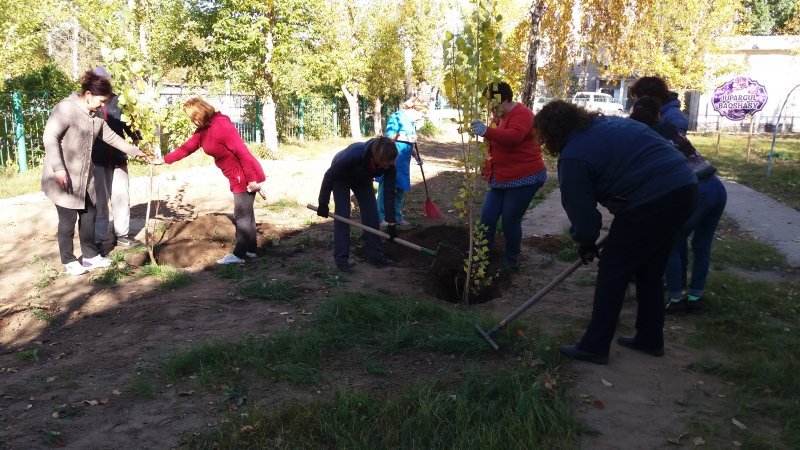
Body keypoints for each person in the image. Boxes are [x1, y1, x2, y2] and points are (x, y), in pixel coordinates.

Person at [534, 100, 697, 364]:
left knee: (613, 269)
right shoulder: (609, 123)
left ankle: (594, 346)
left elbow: (582, 212)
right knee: (650, 269)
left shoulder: (574, 155)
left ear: (552, 133)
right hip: (685, 188)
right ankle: (649, 337)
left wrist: (586, 242)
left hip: (650, 199)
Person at [42, 69, 148, 276]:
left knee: (89, 215)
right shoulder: (65, 109)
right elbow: (50, 137)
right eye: (101, 101)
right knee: (67, 220)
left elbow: (111, 137)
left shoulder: (95, 113)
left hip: (84, 177)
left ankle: (90, 256)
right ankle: (69, 261)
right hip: (62, 176)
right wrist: (59, 168)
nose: (103, 106)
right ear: (88, 95)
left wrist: (137, 152)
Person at [629, 96, 727, 314]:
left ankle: (675, 300)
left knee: (671, 242)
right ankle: (695, 298)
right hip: (716, 187)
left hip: (697, 191)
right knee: (702, 246)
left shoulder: (648, 139)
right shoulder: (671, 129)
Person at [154, 97, 266, 265]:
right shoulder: (204, 130)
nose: (192, 122)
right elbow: (187, 148)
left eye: (193, 118)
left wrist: (251, 180)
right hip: (237, 175)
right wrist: (165, 159)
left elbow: (242, 152)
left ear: (201, 113)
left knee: (242, 215)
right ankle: (251, 251)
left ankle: (239, 255)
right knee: (247, 214)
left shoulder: (222, 125)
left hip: (244, 174)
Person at [469, 82, 547, 270]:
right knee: (487, 217)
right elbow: (494, 143)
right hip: (501, 178)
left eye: (492, 103)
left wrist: (486, 131)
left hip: (524, 177)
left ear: (503, 99)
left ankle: (511, 259)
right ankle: (482, 257)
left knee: (510, 219)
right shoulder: (499, 116)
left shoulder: (523, 114)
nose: (490, 108)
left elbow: (513, 138)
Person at [316, 137, 399, 273]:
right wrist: (323, 203)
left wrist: (391, 222)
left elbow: (390, 193)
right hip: (341, 177)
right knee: (343, 216)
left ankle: (375, 256)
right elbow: (329, 175)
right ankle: (341, 260)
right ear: (378, 157)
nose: (390, 165)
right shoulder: (354, 154)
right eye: (387, 162)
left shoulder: (389, 166)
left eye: (392, 162)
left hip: (362, 178)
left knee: (371, 215)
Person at [91, 66, 142, 250]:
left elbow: (130, 123)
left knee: (121, 197)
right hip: (97, 159)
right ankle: (99, 239)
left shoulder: (118, 101)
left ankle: (122, 235)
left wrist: (137, 138)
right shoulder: (89, 102)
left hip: (118, 158)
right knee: (100, 201)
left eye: (106, 80)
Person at [377, 97, 428, 227]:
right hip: (392, 160)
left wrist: (416, 156)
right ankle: (380, 217)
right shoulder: (397, 117)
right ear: (413, 109)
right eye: (421, 115)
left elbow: (410, 143)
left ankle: (396, 216)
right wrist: (405, 137)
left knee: (400, 189)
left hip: (404, 162)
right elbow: (388, 138)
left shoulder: (411, 122)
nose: (420, 119)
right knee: (386, 189)